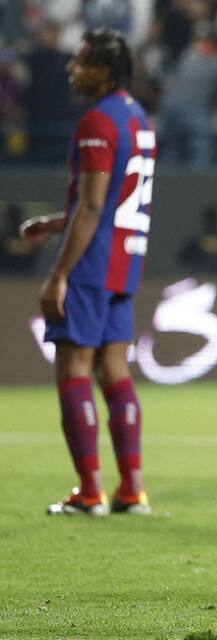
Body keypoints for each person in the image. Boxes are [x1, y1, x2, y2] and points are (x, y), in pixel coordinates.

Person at [20, 28, 156, 516]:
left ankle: (90, 492)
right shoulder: (138, 117)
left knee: (74, 370)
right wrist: (57, 221)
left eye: (81, 61)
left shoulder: (97, 120)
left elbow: (95, 203)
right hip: (125, 262)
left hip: (91, 264)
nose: (71, 68)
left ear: (103, 70)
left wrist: (58, 274)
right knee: (115, 373)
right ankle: (132, 489)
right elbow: (112, 200)